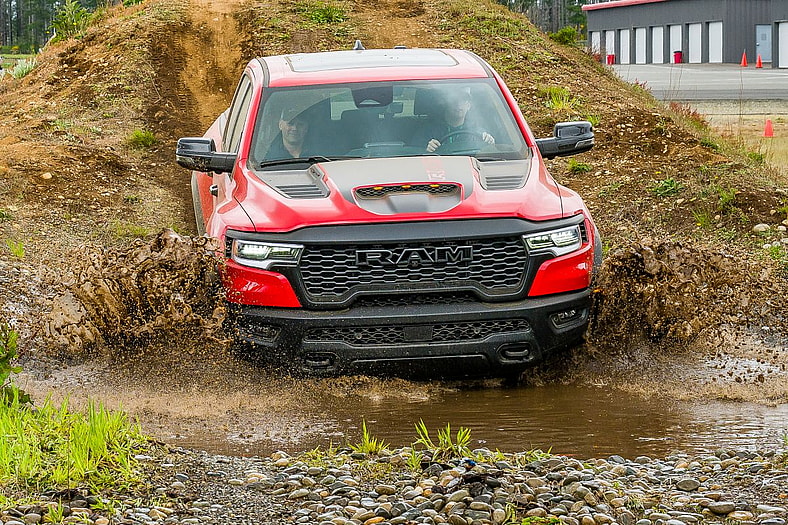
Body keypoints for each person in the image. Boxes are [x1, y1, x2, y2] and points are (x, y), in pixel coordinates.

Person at [422, 88, 495, 153]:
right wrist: (427, 150)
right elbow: (417, 155)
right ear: (446, 104)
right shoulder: (428, 131)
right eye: (454, 100)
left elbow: (487, 156)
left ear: (469, 106)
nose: (459, 104)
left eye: (464, 100)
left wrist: (490, 144)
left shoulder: (478, 132)